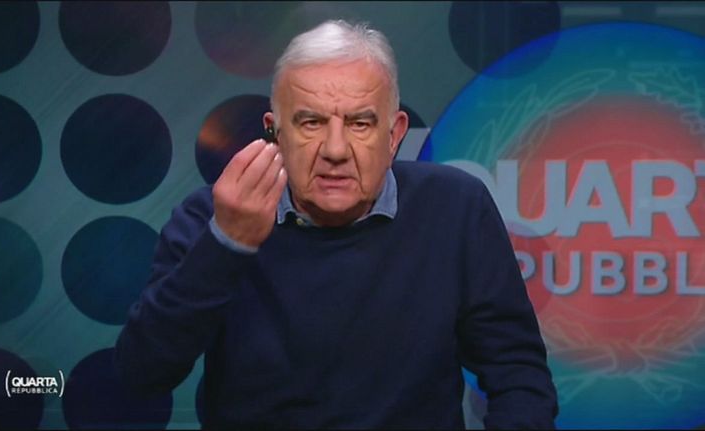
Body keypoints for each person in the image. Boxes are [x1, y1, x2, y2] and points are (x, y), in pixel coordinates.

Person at [115, 19, 558, 429]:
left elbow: (518, 373)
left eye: (360, 123)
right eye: (310, 122)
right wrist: (228, 244)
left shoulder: (456, 207)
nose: (335, 149)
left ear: (394, 134)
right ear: (275, 132)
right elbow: (141, 375)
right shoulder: (213, 216)